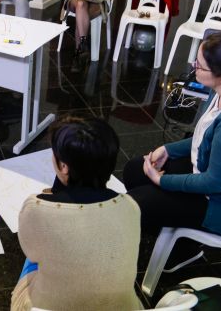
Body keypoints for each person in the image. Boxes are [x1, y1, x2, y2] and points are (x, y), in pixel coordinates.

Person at [124, 31, 221, 241]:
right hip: (218, 172)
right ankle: (170, 237)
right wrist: (168, 149)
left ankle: (181, 248)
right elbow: (209, 138)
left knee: (140, 203)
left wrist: (162, 180)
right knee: (135, 170)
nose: (194, 65)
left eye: (200, 65)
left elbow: (216, 183)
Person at [11, 116, 141, 311]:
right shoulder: (130, 205)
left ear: (64, 166)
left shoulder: (35, 209)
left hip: (46, 307)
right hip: (124, 307)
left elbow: (33, 254)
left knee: (32, 261)